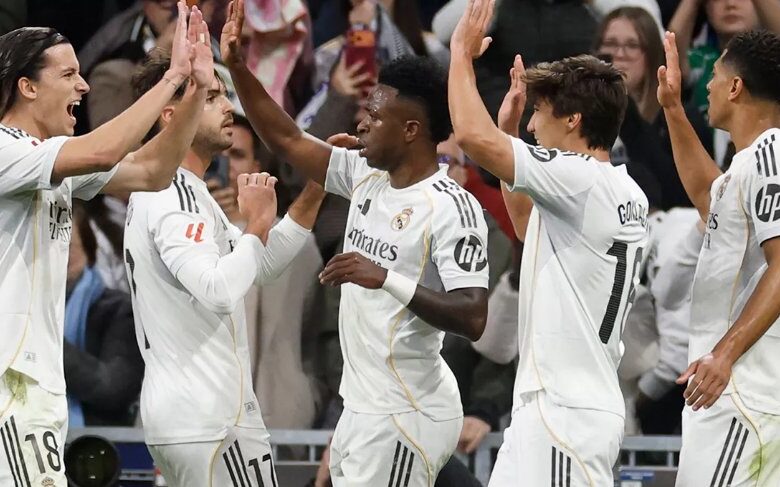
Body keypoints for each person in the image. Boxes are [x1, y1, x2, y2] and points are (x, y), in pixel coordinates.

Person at [222, 1, 490, 484]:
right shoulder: (364, 175)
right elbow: (286, 139)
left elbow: (473, 316)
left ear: (411, 131)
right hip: (362, 408)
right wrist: (238, 68)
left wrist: (385, 277)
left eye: (375, 116)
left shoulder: (452, 206)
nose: (361, 123)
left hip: (408, 411)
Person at [0, 3, 209, 484]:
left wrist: (196, 89)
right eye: (68, 74)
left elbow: (152, 171)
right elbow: (105, 149)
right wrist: (171, 77)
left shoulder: (53, 163)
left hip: (37, 382)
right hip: (10, 380)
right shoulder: (7, 150)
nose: (84, 86)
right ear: (28, 87)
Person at [448, 1, 649, 485]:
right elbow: (525, 225)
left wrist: (459, 54)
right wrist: (508, 131)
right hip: (553, 408)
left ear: (573, 119)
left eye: (538, 113)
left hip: (567, 413)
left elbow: (470, 137)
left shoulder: (578, 178)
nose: (533, 127)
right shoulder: (621, 189)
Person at [124, 47, 326, 485]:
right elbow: (217, 291)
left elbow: (261, 267)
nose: (228, 106)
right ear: (170, 115)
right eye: (212, 97)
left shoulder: (187, 190)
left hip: (193, 417)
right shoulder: (173, 193)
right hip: (211, 419)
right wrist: (257, 223)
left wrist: (316, 189)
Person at [657, 29, 780, 485]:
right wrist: (672, 108)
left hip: (744, 393)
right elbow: (709, 198)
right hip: (733, 394)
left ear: (735, 87)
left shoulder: (771, 154)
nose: (706, 85)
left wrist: (724, 355)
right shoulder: (747, 165)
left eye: (714, 75)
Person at [63, 203, 143, 427]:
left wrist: (43, 336)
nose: (56, 257)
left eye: (67, 247)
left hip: (98, 441)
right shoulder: (18, 309)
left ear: (88, 252)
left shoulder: (120, 310)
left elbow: (113, 389)